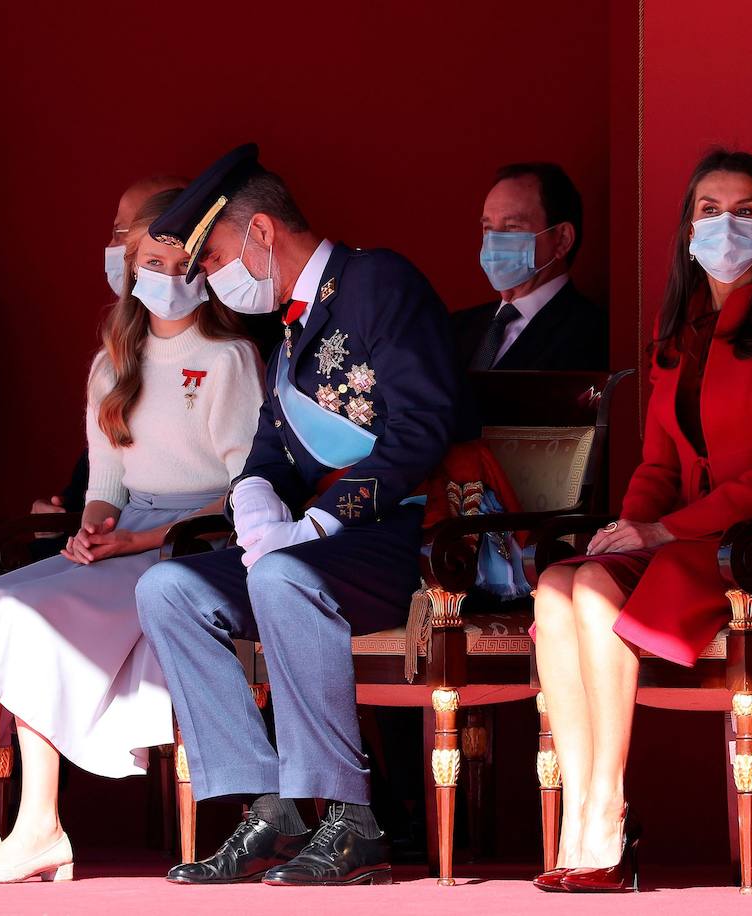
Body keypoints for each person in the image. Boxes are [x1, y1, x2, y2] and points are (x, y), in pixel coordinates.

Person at [0, 188, 264, 884]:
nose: (165, 277)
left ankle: (41, 827)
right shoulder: (112, 364)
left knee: (37, 622)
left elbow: (240, 492)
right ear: (132, 268)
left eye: (180, 262)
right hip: (124, 541)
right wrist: (94, 530)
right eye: (150, 262)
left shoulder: (229, 359)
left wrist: (139, 541)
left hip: (194, 549)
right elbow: (106, 488)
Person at [134, 144, 466, 887]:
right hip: (317, 550)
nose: (211, 277)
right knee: (169, 590)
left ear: (260, 233)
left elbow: (422, 428)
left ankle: (353, 820)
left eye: (214, 254)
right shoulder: (291, 323)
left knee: (282, 577)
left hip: (397, 540)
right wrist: (254, 495)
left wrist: (319, 524)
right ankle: (272, 807)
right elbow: (271, 452)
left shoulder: (378, 281)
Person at [530, 149, 752, 892]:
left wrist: (658, 534)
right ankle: (581, 819)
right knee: (559, 585)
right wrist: (626, 528)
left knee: (601, 593)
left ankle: (606, 814)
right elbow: (659, 468)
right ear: (686, 228)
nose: (724, 224)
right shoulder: (679, 331)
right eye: (708, 209)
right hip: (687, 539)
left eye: (744, 210)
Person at [453, 162, 607, 371]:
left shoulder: (593, 334)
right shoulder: (455, 328)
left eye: (512, 227)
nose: (494, 241)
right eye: (488, 227)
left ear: (562, 239)